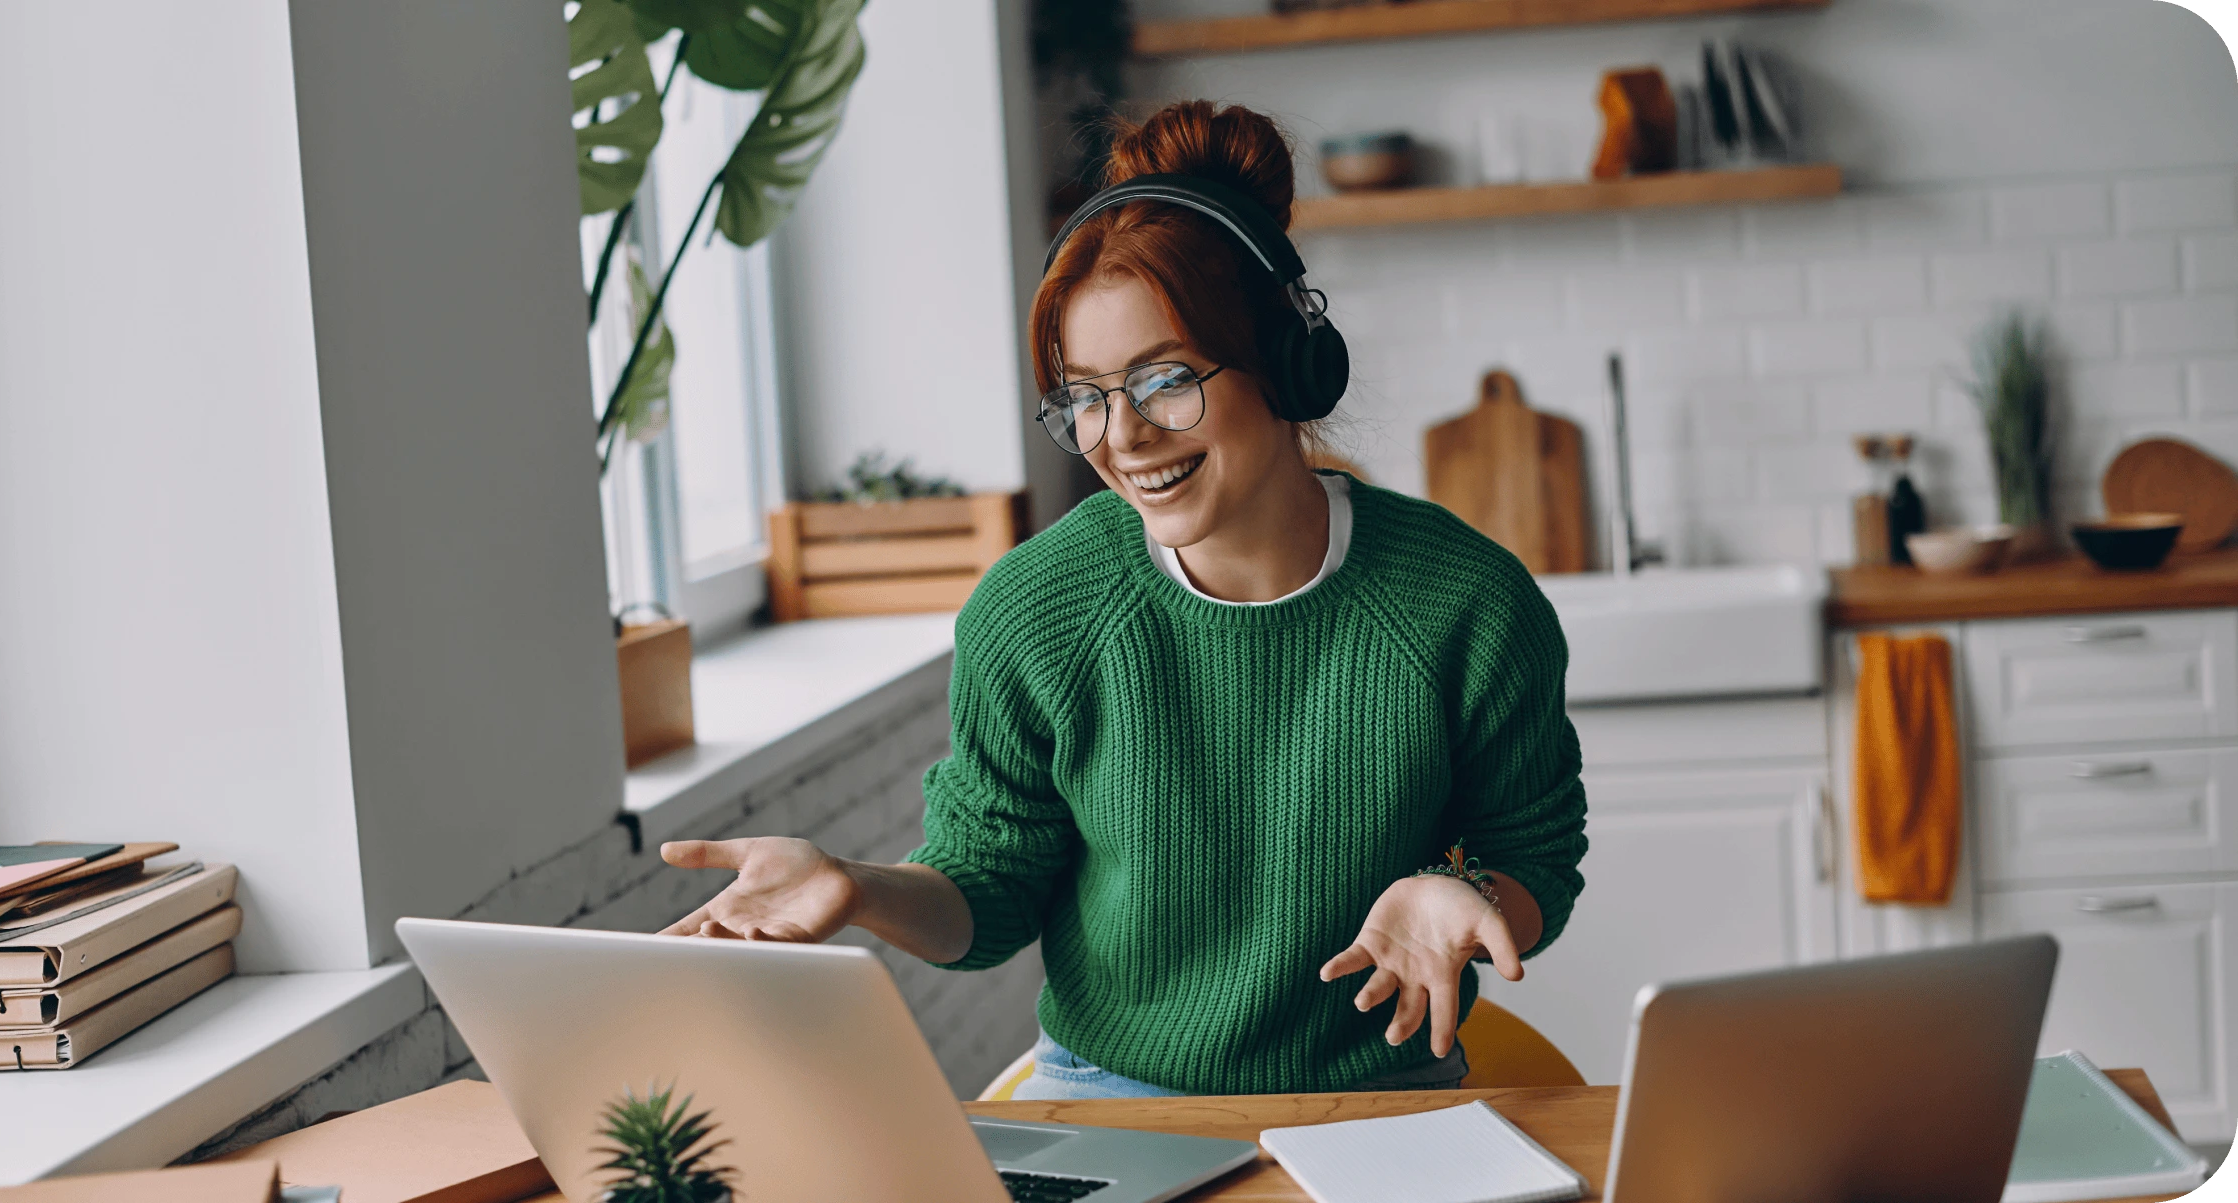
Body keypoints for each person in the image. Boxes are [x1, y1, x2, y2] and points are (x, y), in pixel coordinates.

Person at [659, 100, 1588, 1099]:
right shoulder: (1036, 611)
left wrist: (1464, 891)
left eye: (1166, 380)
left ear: (1287, 359)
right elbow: (990, 894)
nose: (1124, 436)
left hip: (1377, 1101)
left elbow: (1536, 851)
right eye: (1086, 395)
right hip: (1109, 1102)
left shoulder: (1464, 602)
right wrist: (861, 889)